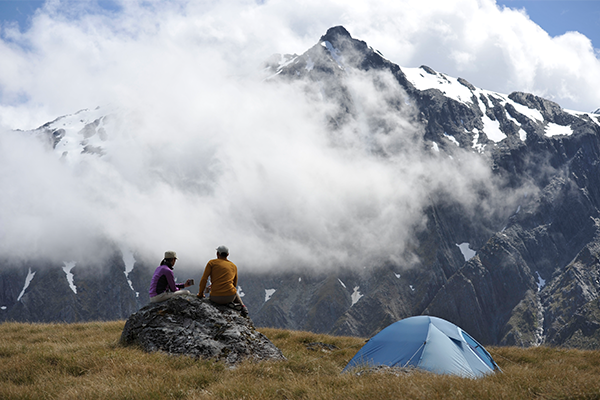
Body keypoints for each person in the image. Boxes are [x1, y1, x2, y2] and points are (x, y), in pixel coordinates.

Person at [197, 245, 248, 316]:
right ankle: (242, 306)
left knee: (219, 295)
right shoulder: (233, 266)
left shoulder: (211, 263)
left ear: (217, 254)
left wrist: (200, 294)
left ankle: (228, 304)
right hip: (230, 297)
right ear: (227, 255)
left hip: (215, 297)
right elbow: (234, 285)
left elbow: (204, 279)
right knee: (233, 290)